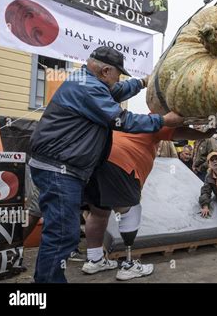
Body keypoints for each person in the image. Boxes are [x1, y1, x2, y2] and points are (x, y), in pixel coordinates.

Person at [29, 46, 184, 283]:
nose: (118, 79)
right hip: (59, 169)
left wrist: (143, 82)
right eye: (117, 74)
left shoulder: (89, 81)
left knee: (64, 230)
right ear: (105, 70)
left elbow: (118, 90)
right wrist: (162, 120)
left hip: (63, 167)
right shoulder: (88, 88)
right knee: (62, 235)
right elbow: (121, 119)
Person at [82, 126, 217, 281]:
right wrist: (205, 134)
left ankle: (94, 260)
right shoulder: (152, 122)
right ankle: (128, 265)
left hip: (95, 163)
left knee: (98, 213)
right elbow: (179, 132)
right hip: (122, 163)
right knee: (131, 211)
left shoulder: (123, 123)